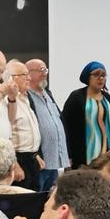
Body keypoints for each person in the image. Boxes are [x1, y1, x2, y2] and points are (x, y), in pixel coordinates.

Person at [61, 61, 110, 168]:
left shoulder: (107, 97)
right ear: (88, 77)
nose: (101, 78)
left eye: (103, 75)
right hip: (83, 158)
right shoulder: (76, 97)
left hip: (109, 157)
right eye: (96, 74)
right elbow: (65, 126)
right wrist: (68, 155)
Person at [26, 58, 69, 191]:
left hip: (55, 161)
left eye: (46, 69)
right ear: (28, 74)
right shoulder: (25, 96)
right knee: (38, 196)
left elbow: (59, 122)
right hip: (41, 162)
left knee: (51, 198)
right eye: (41, 70)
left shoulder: (48, 94)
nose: (45, 73)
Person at [5, 60, 43, 190]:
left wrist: (36, 155)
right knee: (23, 201)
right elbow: (6, 135)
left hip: (31, 159)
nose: (29, 78)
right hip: (18, 159)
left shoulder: (26, 99)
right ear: (11, 78)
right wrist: (14, 164)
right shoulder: (7, 101)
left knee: (35, 200)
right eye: (24, 75)